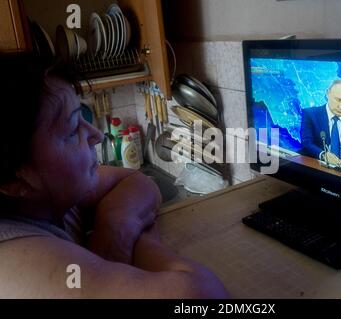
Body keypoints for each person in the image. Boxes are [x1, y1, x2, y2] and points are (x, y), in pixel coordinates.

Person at [0, 53, 228, 298]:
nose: (97, 135)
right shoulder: (20, 264)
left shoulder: (49, 198)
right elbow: (202, 296)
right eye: (72, 130)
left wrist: (116, 226)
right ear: (15, 181)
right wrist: (140, 237)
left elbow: (137, 181)